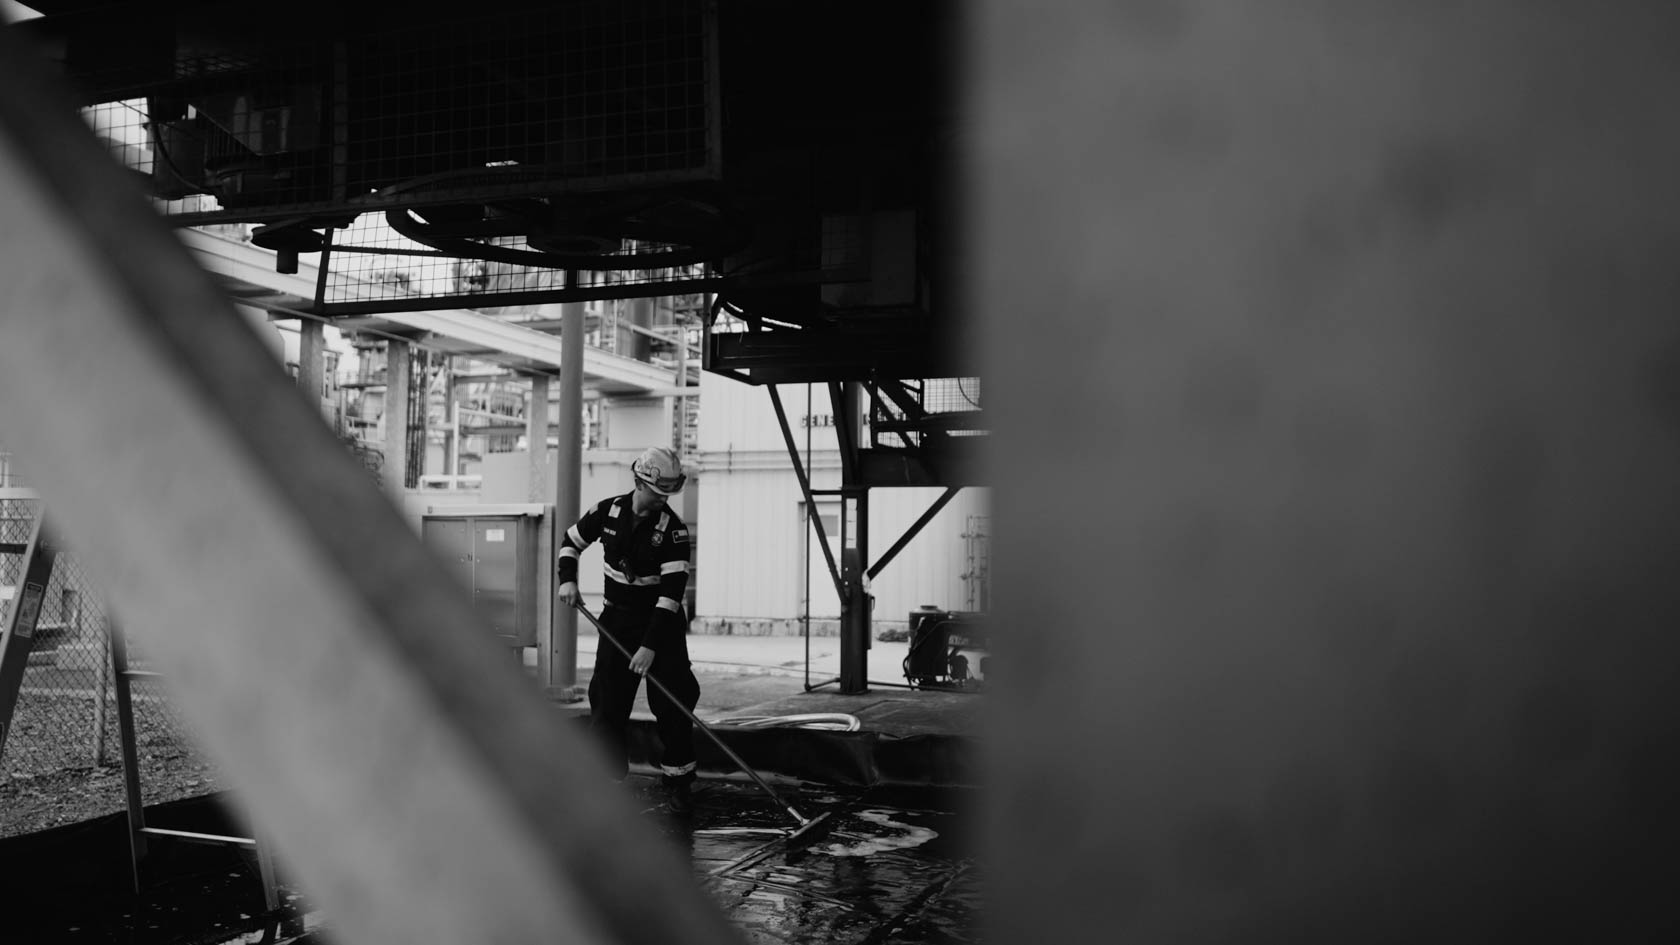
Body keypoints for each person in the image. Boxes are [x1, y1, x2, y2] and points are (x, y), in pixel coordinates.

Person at [557, 446, 700, 813]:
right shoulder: (607, 511)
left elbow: (670, 598)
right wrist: (568, 581)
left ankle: (678, 783)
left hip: (661, 627)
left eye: (668, 494)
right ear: (639, 481)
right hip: (616, 622)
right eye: (658, 492)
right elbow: (570, 543)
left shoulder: (674, 533)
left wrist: (650, 647)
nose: (663, 500)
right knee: (606, 704)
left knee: (673, 704)